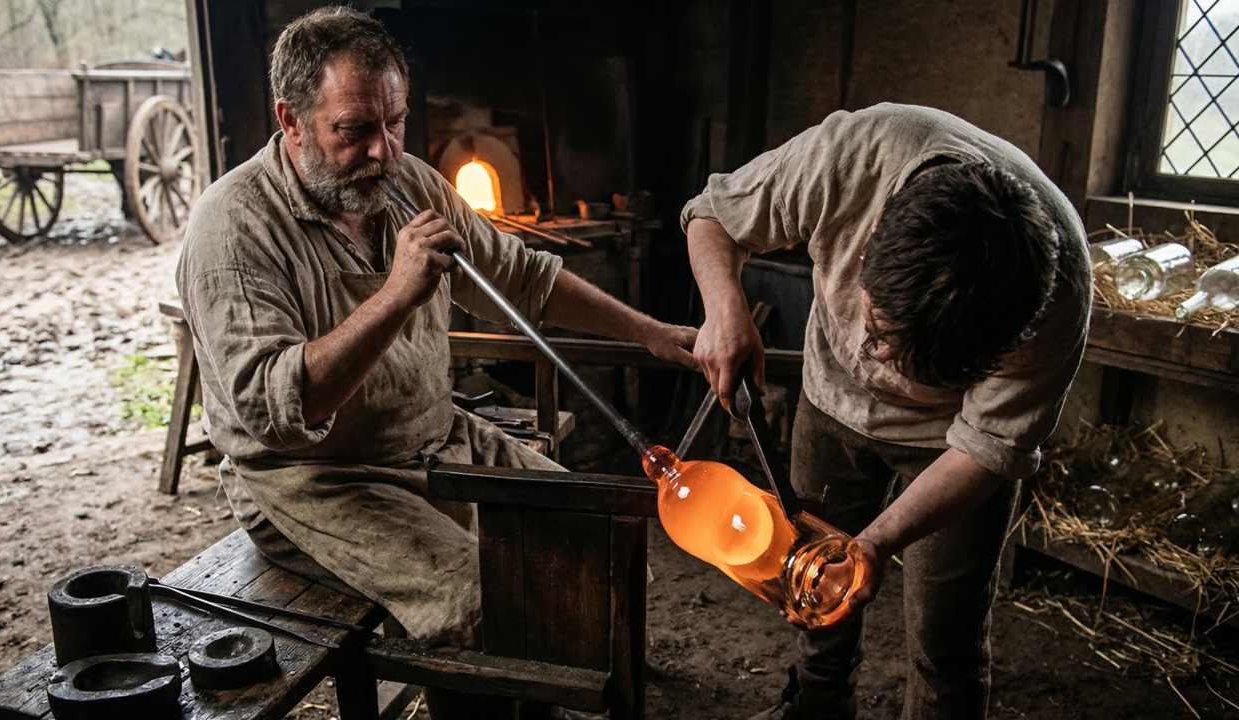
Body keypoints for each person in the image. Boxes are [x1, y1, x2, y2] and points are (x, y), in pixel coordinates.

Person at [175, 6, 696, 717]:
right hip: (315, 477)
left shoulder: (411, 182)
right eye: (353, 131)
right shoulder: (232, 228)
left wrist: (651, 333)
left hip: (432, 433)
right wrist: (395, 294)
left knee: (592, 536)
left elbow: (522, 275)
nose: (383, 151)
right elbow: (278, 411)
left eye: (394, 121)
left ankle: (550, 697)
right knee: (484, 609)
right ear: (291, 120)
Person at [683, 104, 1091, 720]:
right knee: (811, 580)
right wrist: (725, 311)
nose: (879, 364)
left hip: (950, 447)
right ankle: (819, 705)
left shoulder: (1054, 297)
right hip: (827, 404)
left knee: (946, 635)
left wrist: (874, 543)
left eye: (914, 362)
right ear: (872, 237)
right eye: (876, 331)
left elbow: (989, 444)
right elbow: (713, 215)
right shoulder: (848, 161)